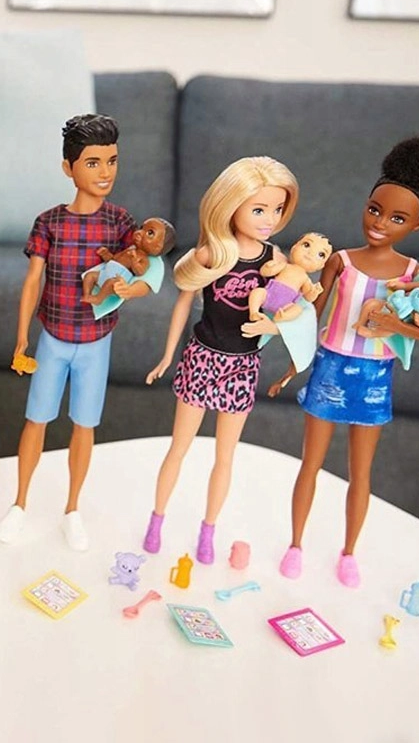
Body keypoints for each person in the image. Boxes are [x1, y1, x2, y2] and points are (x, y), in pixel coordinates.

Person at [272, 137, 419, 587]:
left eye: (397, 218)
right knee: (310, 462)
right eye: (375, 209)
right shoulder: (340, 262)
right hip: (329, 366)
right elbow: (313, 314)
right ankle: (295, 543)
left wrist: (394, 325)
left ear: (417, 225)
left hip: (375, 375)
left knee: (361, 472)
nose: (379, 223)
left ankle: (349, 552)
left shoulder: (414, 276)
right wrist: (294, 363)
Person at [0, 114, 159, 550]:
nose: (105, 172)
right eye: (93, 162)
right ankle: (19, 503)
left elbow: (149, 269)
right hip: (52, 338)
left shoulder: (120, 222)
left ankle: (72, 509)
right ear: (68, 168)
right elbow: (33, 279)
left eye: (112, 161)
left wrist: (132, 288)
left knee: (85, 425)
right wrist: (22, 336)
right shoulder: (49, 222)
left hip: (96, 341)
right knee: (36, 419)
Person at [141, 156, 300, 564]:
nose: (269, 219)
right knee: (179, 447)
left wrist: (272, 328)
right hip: (203, 356)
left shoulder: (274, 260)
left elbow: (288, 313)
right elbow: (183, 302)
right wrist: (167, 354)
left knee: (225, 455)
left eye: (277, 209)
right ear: (231, 204)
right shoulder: (213, 254)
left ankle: (208, 530)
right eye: (259, 209)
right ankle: (156, 519)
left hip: (242, 364)